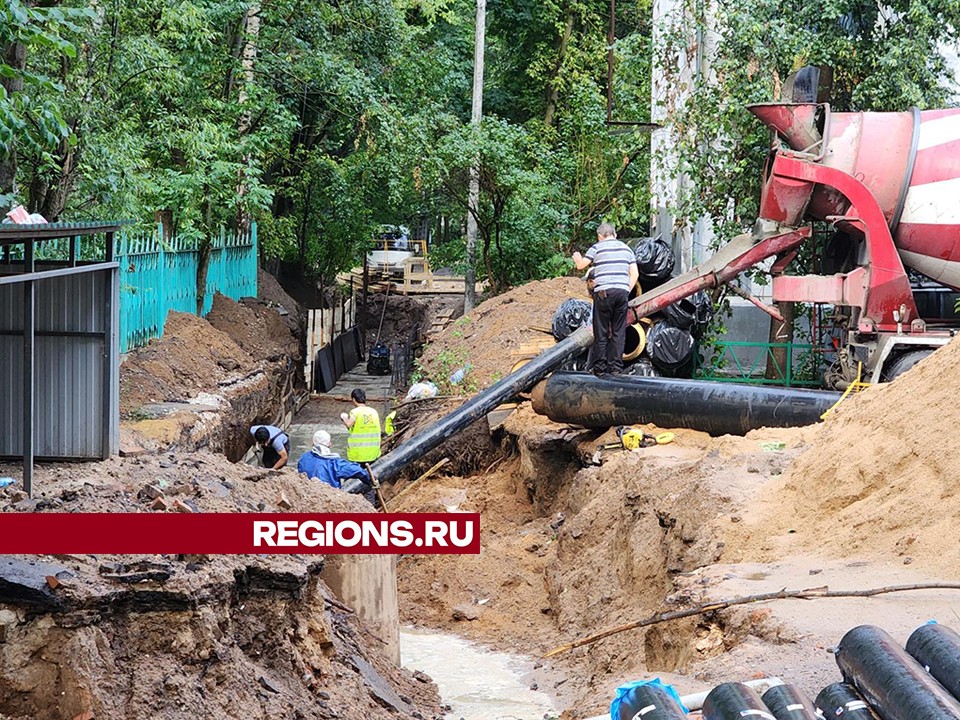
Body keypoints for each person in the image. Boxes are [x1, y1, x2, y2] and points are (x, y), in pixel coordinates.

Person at [572, 222, 639, 376]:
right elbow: (635, 274)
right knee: (618, 331)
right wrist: (625, 290)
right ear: (615, 234)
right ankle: (616, 369)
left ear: (600, 236)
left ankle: (600, 369)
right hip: (621, 293)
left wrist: (577, 258)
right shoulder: (627, 249)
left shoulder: (597, 247)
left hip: (603, 293)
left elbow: (582, 266)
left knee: (601, 331)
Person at [297, 430, 375, 504]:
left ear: (313, 443)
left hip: (307, 498)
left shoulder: (303, 458)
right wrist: (369, 480)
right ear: (329, 444)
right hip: (329, 499)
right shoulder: (333, 463)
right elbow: (357, 470)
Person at [340, 388, 382, 462]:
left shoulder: (355, 412)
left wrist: (344, 417)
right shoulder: (374, 412)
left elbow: (349, 424)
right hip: (373, 453)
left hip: (358, 454)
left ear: (353, 399)